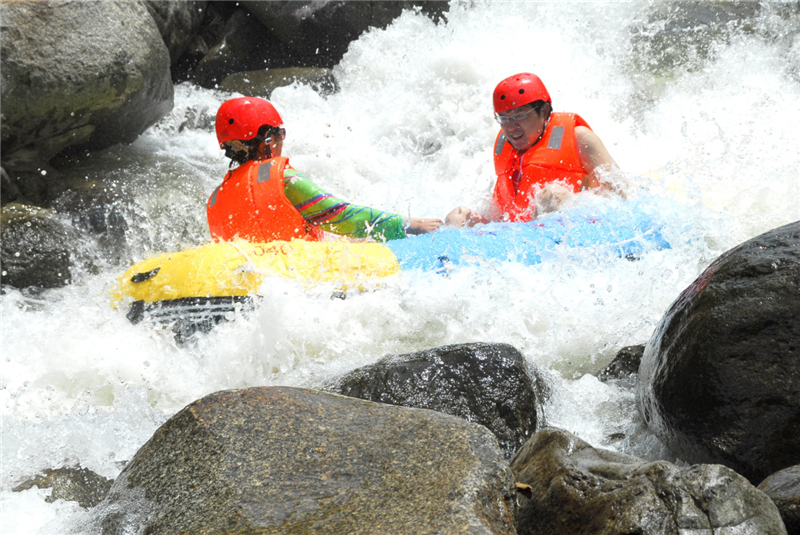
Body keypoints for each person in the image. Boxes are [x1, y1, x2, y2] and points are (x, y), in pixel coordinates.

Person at [207, 96, 442, 242]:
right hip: (297, 280)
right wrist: (409, 224)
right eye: (281, 135)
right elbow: (341, 216)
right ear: (268, 138)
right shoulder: (283, 179)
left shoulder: (217, 198)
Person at [446, 73, 623, 227]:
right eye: (504, 118)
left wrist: (579, 203)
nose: (511, 126)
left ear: (544, 111)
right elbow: (500, 213)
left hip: (567, 228)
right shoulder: (505, 145)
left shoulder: (579, 137)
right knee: (458, 215)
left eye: (519, 115)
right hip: (514, 231)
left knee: (552, 196)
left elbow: (622, 194)